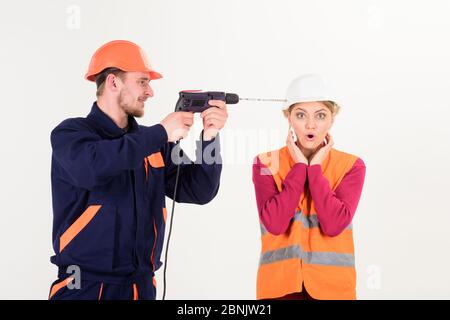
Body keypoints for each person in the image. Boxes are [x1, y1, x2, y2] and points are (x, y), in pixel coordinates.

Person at [48, 40, 228, 300]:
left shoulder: (154, 142)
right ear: (113, 82)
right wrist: (162, 133)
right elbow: (93, 167)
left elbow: (199, 191)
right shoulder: (71, 134)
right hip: (84, 286)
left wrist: (210, 137)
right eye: (142, 82)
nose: (150, 92)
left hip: (140, 287)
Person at [252, 74, 366, 300]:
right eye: (301, 115)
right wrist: (299, 168)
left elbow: (334, 225)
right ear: (289, 118)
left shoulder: (351, 166)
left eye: (321, 115)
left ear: (332, 119)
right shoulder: (265, 163)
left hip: (333, 291)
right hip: (278, 289)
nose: (311, 125)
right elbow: (274, 224)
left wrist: (313, 170)